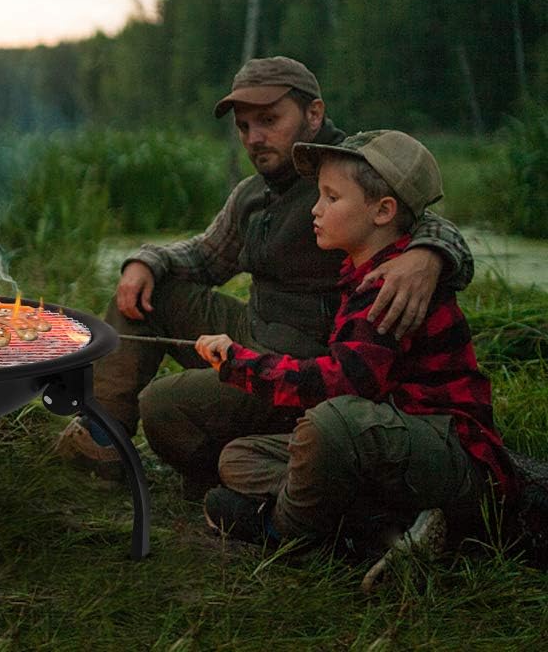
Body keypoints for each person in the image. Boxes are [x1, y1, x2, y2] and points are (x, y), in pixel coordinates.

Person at [55, 56, 474, 497]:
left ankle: (248, 469)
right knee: (146, 292)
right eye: (244, 126)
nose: (254, 138)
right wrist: (145, 260)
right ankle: (103, 443)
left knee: (164, 407)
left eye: (270, 120)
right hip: (253, 332)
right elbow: (203, 256)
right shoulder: (253, 194)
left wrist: (428, 254)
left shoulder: (351, 169)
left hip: (313, 365)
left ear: (313, 114)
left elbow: (424, 217)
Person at [197, 130, 516, 587]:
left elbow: (345, 385)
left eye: (330, 197)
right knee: (239, 457)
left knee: (329, 423)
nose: (315, 208)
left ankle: (286, 532)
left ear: (383, 211)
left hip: (448, 451)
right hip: (387, 442)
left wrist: (241, 363)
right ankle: (385, 531)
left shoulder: (395, 285)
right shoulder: (359, 267)